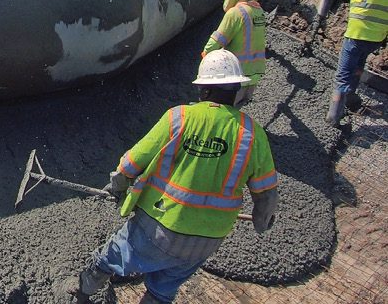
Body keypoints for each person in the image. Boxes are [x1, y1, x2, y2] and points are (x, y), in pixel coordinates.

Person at [68, 49, 278, 304]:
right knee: (162, 290)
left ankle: (81, 295)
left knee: (109, 257)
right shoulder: (253, 134)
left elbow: (133, 161)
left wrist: (118, 185)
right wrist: (261, 221)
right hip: (206, 240)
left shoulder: (180, 117)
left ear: (204, 90)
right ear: (236, 90)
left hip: (161, 226)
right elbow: (266, 194)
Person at [327, 0, 388, 126]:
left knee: (342, 74)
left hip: (357, 34)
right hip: (376, 38)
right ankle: (352, 98)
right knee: (359, 65)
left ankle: (333, 116)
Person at [202, 0, 266, 105]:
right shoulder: (259, 12)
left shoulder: (236, 13)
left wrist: (205, 54)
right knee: (239, 108)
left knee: (227, 110)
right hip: (254, 74)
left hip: (236, 75)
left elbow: (217, 41)